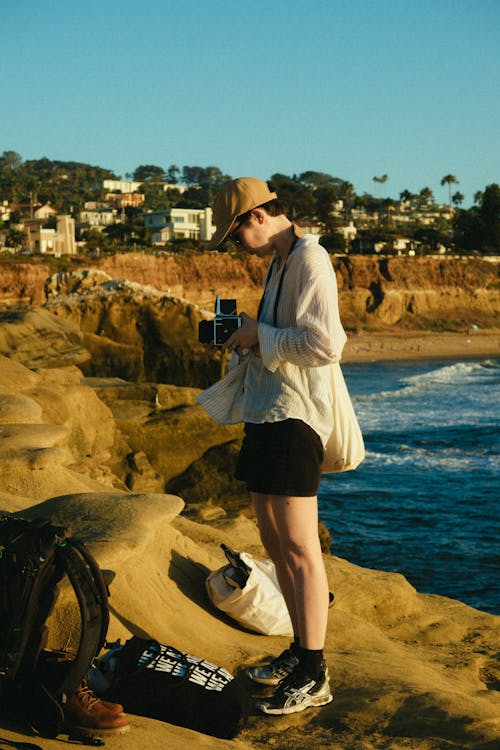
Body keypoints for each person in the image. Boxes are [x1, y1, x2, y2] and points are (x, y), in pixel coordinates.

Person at [198, 177, 347, 715]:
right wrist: (247, 332)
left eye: (233, 234)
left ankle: (314, 671)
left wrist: (258, 334)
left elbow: (327, 344)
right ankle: (300, 654)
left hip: (294, 419)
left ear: (256, 216)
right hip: (267, 412)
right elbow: (281, 335)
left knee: (302, 548)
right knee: (277, 545)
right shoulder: (280, 262)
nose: (233, 244)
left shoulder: (311, 259)